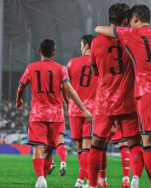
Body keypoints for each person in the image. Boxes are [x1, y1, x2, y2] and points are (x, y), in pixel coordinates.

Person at [95, 4, 151, 188]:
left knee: (149, 146)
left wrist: (97, 28)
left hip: (148, 93)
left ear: (134, 19)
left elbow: (104, 29)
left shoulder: (130, 34)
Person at [16, 39, 93, 188]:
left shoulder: (31, 68)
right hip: (56, 115)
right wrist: (83, 109)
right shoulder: (61, 69)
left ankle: (41, 178)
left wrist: (18, 100)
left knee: (38, 148)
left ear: (39, 52)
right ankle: (44, 177)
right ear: (54, 53)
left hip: (37, 114)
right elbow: (69, 89)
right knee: (50, 149)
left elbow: (21, 86)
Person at [88, 3, 144, 188]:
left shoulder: (96, 42)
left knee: (97, 144)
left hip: (105, 102)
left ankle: (93, 183)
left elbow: (95, 70)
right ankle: (134, 179)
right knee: (134, 143)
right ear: (126, 20)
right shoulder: (132, 38)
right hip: (128, 101)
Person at [66, 34, 98, 187]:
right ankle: (81, 179)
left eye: (81, 45)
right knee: (87, 146)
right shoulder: (99, 64)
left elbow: (63, 86)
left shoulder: (72, 63)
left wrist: (68, 102)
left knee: (80, 146)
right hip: (91, 109)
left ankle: (82, 179)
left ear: (85, 46)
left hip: (74, 109)